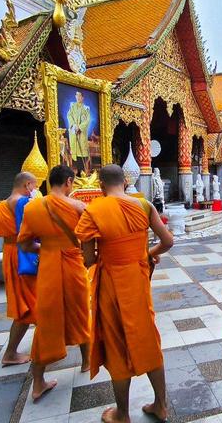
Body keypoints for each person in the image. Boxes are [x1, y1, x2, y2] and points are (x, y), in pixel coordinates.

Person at [75, 165, 173, 423]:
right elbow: (168, 242)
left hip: (111, 285)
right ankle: (161, 405)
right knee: (147, 337)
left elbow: (88, 259)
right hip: (138, 282)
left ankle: (123, 414)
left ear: (101, 185)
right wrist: (147, 255)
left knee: (116, 343)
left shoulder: (93, 210)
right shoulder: (144, 205)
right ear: (125, 181)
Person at [18, 165, 91, 400]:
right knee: (80, 312)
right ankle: (87, 363)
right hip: (73, 266)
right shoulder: (79, 207)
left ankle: (38, 383)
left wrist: (47, 248)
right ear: (69, 182)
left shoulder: (33, 208)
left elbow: (26, 245)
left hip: (48, 267)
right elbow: (90, 242)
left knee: (46, 320)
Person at [0, 172, 39, 366]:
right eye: (35, 186)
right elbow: (35, 229)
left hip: (11, 253)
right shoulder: (23, 204)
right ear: (27, 185)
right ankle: (12, 353)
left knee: (25, 303)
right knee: (29, 305)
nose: (35, 190)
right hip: (24, 254)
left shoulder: (1, 205)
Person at [67, 91, 91, 173]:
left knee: (81, 153)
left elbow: (88, 120)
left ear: (83, 97)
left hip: (81, 134)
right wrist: (73, 125)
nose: (78, 97)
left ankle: (81, 172)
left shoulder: (86, 108)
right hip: (74, 131)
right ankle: (73, 173)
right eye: (77, 95)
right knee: (74, 152)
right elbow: (69, 115)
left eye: (80, 95)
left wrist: (80, 127)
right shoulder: (72, 106)